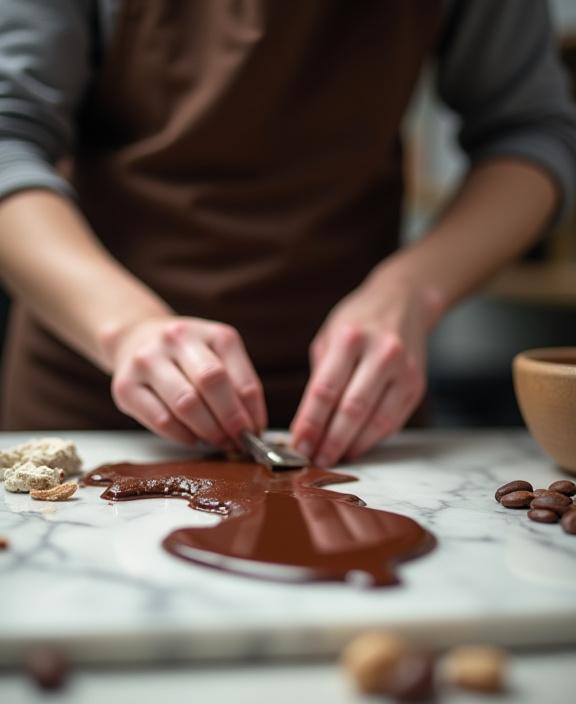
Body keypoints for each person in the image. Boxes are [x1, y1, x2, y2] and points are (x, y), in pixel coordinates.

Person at [0, 0, 575, 468]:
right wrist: (126, 328)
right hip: (89, 393)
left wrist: (415, 290)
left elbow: (531, 132)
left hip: (360, 411)